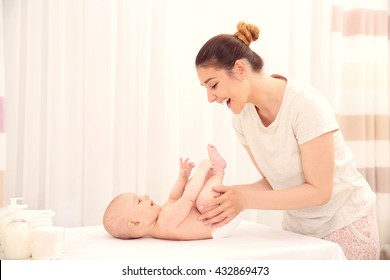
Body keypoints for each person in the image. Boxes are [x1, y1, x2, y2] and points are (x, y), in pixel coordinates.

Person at [194, 21, 379, 259]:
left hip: (345, 225)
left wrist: (244, 199)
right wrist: (224, 195)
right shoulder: (242, 120)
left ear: (240, 69)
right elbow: (274, 182)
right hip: (298, 230)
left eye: (213, 85)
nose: (211, 98)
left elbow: (320, 191)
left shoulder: (305, 105)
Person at [103, 145, 242, 240]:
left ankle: (213, 170)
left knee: (189, 186)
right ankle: (217, 173)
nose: (145, 196)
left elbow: (174, 197)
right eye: (139, 201)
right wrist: (200, 171)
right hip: (220, 224)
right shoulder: (165, 223)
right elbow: (188, 198)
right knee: (202, 201)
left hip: (216, 216)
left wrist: (183, 177)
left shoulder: (162, 217)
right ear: (136, 224)